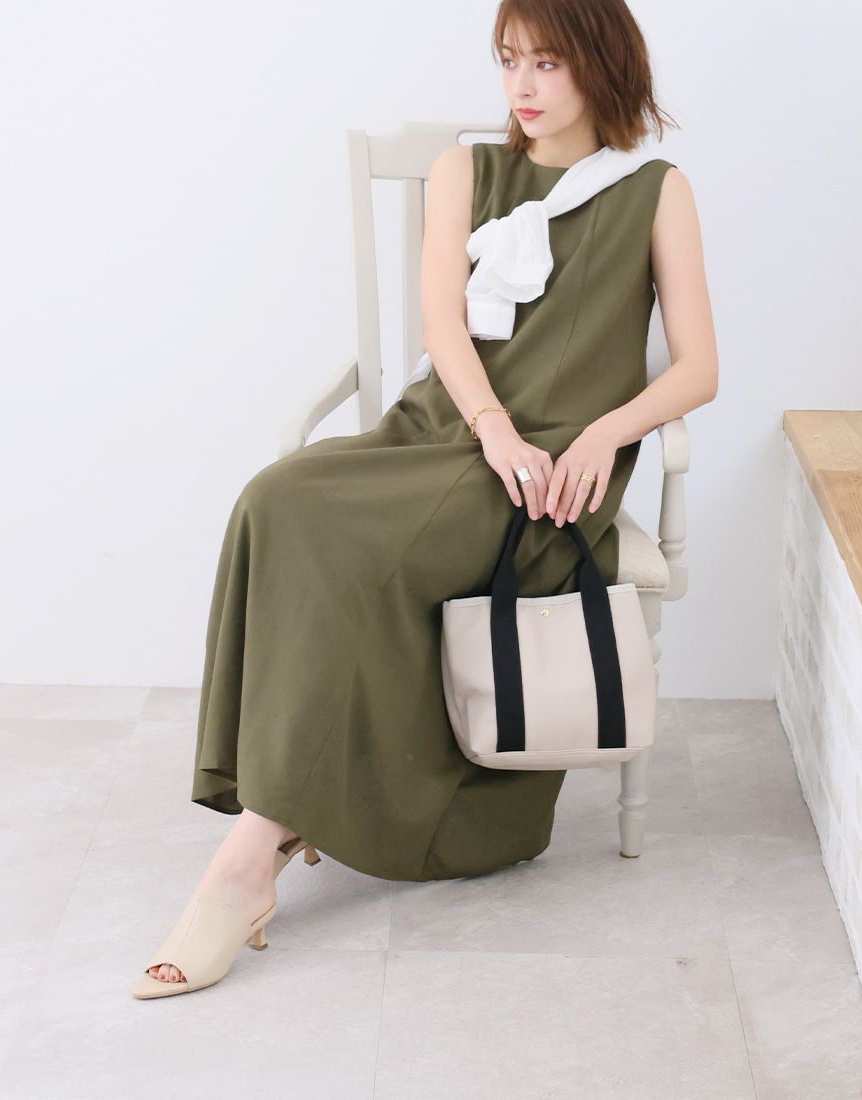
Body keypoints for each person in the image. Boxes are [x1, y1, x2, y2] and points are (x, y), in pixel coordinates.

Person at [133, 0, 719, 999]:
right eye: (508, 61)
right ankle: (279, 807)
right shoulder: (464, 171)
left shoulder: (657, 192)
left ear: (601, 64)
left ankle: (250, 854)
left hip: (548, 476)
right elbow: (442, 325)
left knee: (358, 546)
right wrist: (489, 426)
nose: (521, 85)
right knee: (276, 497)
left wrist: (599, 434)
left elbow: (698, 369)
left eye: (546, 62)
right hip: (450, 429)